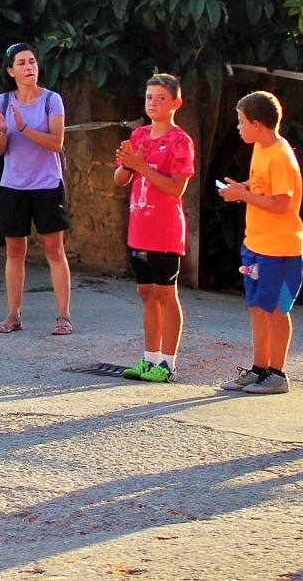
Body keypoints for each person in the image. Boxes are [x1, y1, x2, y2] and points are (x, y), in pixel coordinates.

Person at [218, 91, 303, 395]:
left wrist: (243, 195)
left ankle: (277, 374)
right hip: (255, 244)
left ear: (257, 124)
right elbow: (261, 188)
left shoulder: (281, 155)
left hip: (279, 249)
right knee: (257, 307)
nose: (238, 128)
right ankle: (259, 369)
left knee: (276, 310)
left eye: (242, 122)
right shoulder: (260, 147)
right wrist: (241, 188)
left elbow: (281, 204)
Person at [0, 43, 72, 335]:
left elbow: (56, 143)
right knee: (14, 251)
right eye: (21, 63)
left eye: (32, 61)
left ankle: (63, 317)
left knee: (54, 250)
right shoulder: (3, 101)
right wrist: (0, 129)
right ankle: (13, 315)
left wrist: (23, 128)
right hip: (13, 185)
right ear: (11, 71)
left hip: (47, 184)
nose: (29, 67)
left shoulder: (52, 100)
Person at [114, 74, 195, 382]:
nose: (154, 103)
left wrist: (142, 166)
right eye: (149, 97)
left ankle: (168, 363)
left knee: (165, 293)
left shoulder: (180, 140)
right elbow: (120, 180)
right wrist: (126, 165)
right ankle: (149, 358)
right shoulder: (139, 136)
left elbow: (177, 189)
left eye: (161, 98)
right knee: (145, 292)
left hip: (165, 230)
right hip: (139, 227)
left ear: (176, 103)